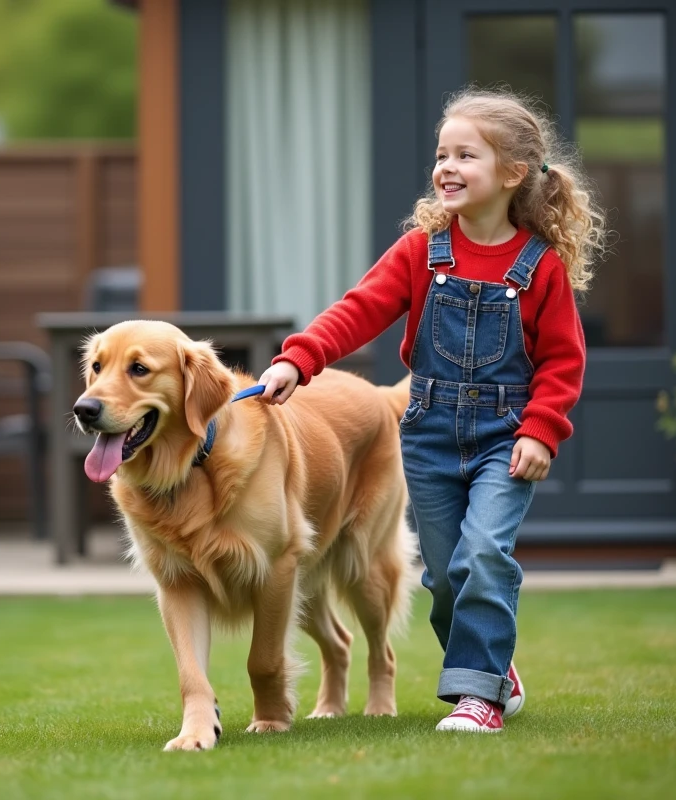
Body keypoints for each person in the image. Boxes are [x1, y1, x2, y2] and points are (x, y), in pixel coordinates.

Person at [256, 86, 607, 733]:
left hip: (508, 436)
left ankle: (479, 698)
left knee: (483, 558)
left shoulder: (541, 268)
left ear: (512, 173)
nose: (446, 166)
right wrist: (297, 360)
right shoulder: (423, 251)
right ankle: (493, 667)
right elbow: (357, 310)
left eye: (466, 155)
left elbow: (563, 361)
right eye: (442, 154)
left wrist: (542, 431)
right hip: (430, 434)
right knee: (446, 578)